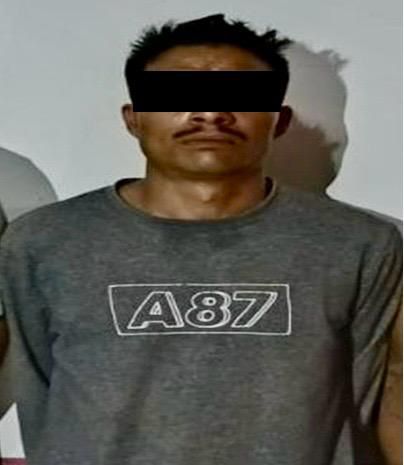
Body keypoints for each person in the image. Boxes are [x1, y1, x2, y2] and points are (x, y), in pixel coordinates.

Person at [0, 13, 401, 465]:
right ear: (134, 118)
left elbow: (386, 388)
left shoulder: (360, 244)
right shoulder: (43, 241)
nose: (210, 113)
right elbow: (38, 380)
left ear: (279, 120)